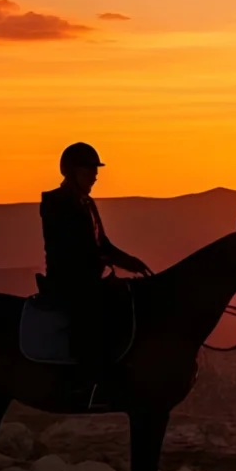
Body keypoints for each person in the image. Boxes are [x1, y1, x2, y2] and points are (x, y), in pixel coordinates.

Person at [39, 142, 149, 364]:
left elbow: (103, 244)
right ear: (72, 171)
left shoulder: (87, 203)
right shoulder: (57, 203)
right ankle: (85, 372)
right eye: (89, 169)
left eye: (95, 170)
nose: (95, 175)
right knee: (94, 321)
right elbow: (76, 251)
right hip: (70, 282)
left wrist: (132, 263)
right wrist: (106, 262)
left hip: (90, 278)